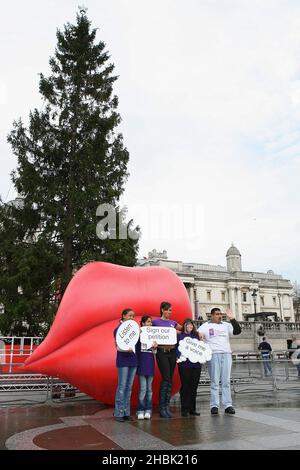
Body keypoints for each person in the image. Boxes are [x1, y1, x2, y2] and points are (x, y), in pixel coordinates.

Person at [198, 307, 241, 415]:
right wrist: (199, 336)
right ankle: (214, 405)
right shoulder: (205, 326)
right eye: (217, 314)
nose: (219, 316)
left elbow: (237, 331)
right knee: (215, 381)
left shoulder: (226, 325)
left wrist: (232, 318)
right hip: (214, 354)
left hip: (226, 353)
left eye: (220, 314)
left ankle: (228, 405)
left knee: (226, 381)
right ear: (211, 316)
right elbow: (197, 335)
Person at [152, 301, 182, 418]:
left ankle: (166, 406)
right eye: (168, 310)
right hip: (162, 352)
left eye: (171, 310)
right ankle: (162, 407)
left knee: (169, 380)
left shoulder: (173, 323)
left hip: (172, 352)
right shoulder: (155, 322)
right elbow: (146, 332)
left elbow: (185, 329)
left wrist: (196, 332)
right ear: (162, 310)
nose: (169, 312)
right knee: (166, 378)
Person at [113, 308, 137, 422]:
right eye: (129, 316)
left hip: (133, 360)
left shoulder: (135, 329)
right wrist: (124, 349)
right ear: (123, 316)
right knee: (122, 387)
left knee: (129, 387)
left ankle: (126, 412)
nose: (132, 318)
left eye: (133, 316)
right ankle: (118, 413)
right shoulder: (117, 330)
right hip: (123, 360)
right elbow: (117, 346)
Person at [177, 318, 202, 417]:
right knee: (185, 387)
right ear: (184, 326)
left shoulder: (196, 336)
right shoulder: (180, 336)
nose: (190, 326)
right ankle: (185, 409)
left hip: (196, 365)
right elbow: (177, 349)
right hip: (184, 365)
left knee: (194, 387)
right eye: (188, 325)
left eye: (191, 325)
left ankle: (192, 409)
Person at [136, 316, 157, 420]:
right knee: (143, 389)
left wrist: (155, 347)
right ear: (143, 323)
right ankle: (140, 410)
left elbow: (154, 352)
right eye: (148, 322)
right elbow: (136, 351)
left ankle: (148, 410)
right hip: (141, 365)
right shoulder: (138, 335)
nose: (150, 324)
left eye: (151, 322)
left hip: (150, 364)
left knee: (149, 389)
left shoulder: (153, 336)